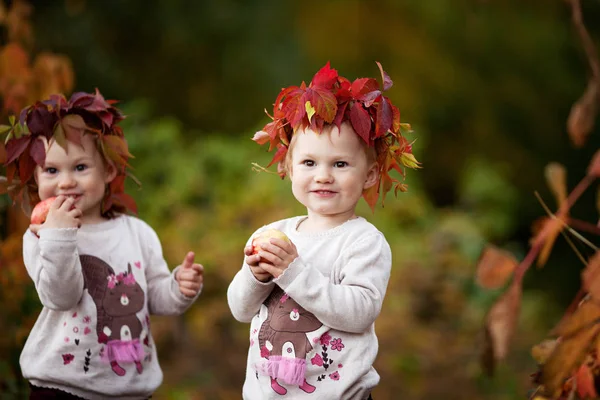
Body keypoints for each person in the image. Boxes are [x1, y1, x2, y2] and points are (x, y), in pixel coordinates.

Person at [227, 62, 420, 399]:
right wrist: (254, 276)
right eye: (309, 163)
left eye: (340, 164)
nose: (323, 176)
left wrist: (293, 272)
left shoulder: (363, 242)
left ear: (371, 175)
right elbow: (241, 310)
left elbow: (359, 313)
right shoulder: (271, 234)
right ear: (289, 168)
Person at [3, 90, 204, 400]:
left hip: (130, 388)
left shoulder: (137, 233)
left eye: (80, 167)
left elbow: (153, 299)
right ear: (37, 180)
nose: (66, 182)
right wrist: (59, 235)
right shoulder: (40, 235)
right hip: (61, 387)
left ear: (108, 171)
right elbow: (61, 296)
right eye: (52, 171)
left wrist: (178, 288)